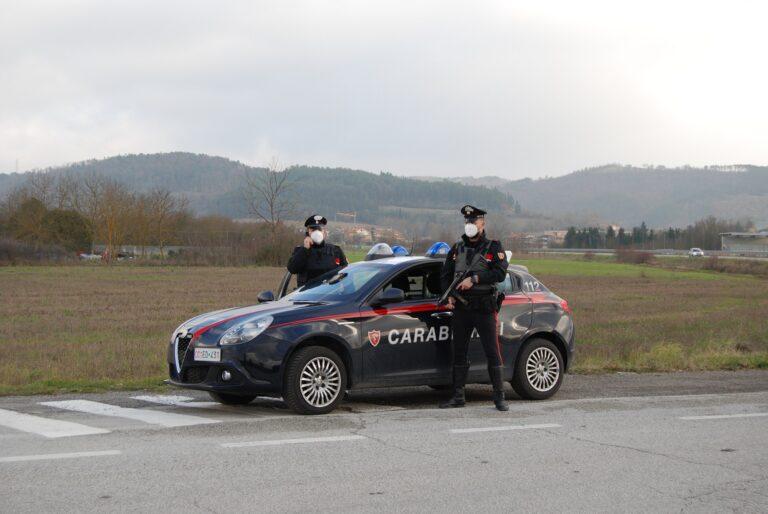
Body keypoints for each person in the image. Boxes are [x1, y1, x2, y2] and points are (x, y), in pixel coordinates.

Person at [439, 205, 510, 411]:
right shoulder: (457, 248)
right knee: (458, 352)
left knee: (492, 351)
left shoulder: (493, 247)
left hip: (484, 307)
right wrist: (449, 296)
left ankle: (499, 397)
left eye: (474, 221)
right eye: (467, 221)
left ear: (482, 223)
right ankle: (458, 396)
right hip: (461, 308)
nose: (470, 224)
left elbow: (500, 273)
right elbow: (445, 275)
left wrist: (475, 278)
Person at [287, 214, 348, 287]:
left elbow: (347, 273)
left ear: (324, 232)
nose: (316, 232)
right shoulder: (300, 251)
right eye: (313, 230)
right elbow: (292, 269)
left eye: (319, 229)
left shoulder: (336, 251)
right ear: (307, 233)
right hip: (306, 295)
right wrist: (305, 249)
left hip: (330, 295)